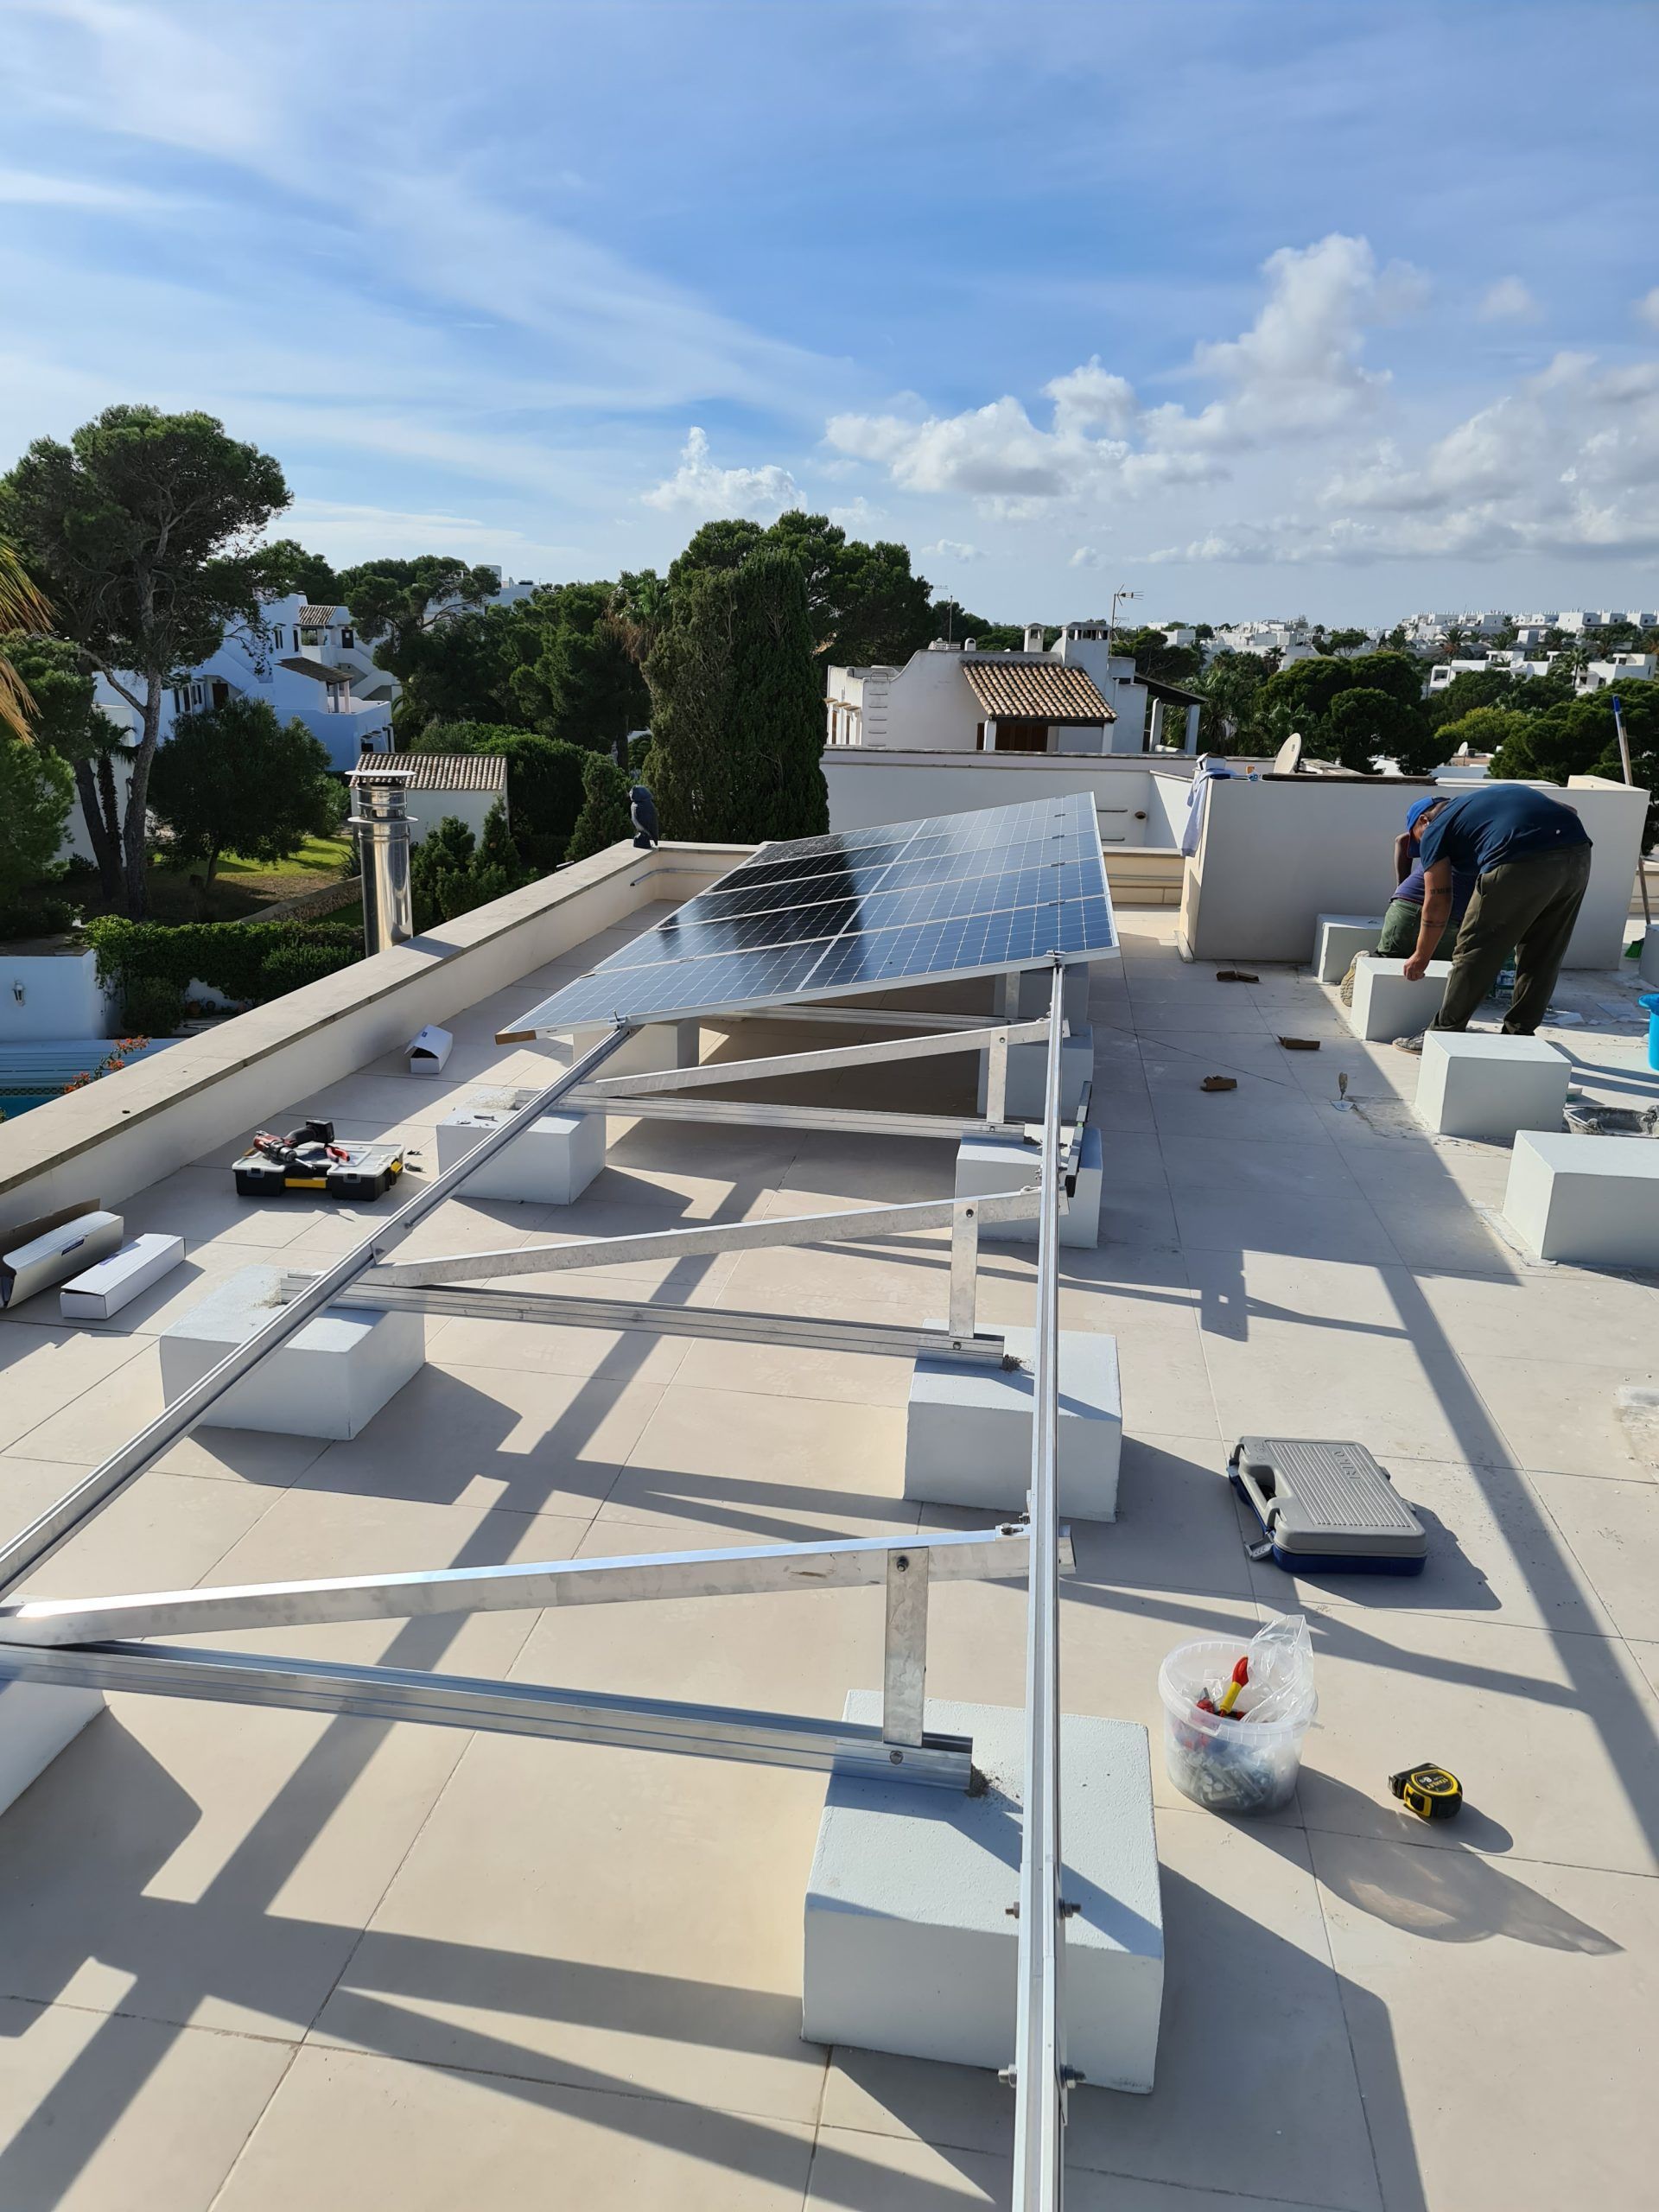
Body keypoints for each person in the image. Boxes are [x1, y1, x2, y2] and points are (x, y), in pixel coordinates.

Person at [1400, 783, 1592, 1039]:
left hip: (1518, 860)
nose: (1423, 849)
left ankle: (1444, 1032)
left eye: (1417, 840)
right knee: (1544, 952)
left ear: (1424, 820)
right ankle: (1518, 1035)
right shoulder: (1486, 800)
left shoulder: (1436, 828)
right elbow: (1570, 809)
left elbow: (1437, 903)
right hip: (1577, 855)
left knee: (1475, 947)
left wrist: (1421, 957)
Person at [1376, 796, 1477, 958]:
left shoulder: (1440, 827)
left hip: (1406, 908)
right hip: (1449, 917)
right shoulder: (1469, 825)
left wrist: (1401, 887)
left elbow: (1402, 840)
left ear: (1424, 820)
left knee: (1390, 969)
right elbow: (1403, 840)